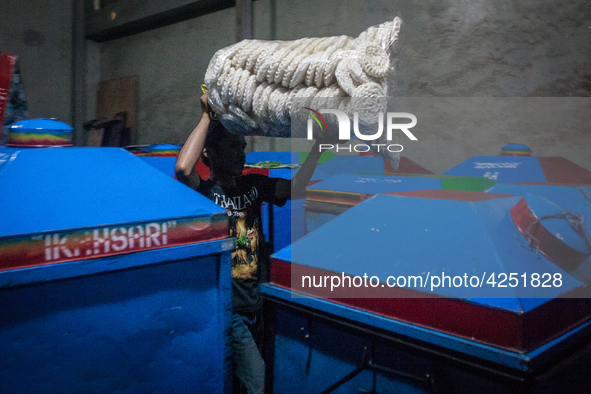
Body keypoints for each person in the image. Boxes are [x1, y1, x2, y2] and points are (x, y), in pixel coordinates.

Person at [175, 93, 329, 394]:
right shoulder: (206, 192)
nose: (240, 154)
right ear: (210, 154)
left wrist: (318, 149)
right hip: (229, 309)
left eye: (242, 147)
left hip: (255, 305)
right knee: (257, 382)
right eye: (232, 147)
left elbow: (296, 188)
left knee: (242, 383)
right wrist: (207, 116)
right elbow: (182, 170)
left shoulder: (253, 186)